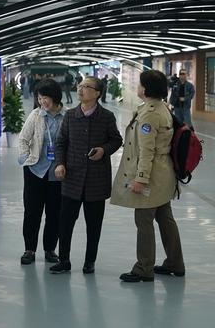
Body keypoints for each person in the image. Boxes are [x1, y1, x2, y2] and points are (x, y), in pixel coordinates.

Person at [111, 70, 184, 282]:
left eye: (140, 83)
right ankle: (175, 262)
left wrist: (141, 178)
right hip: (164, 174)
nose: (137, 86)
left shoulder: (150, 114)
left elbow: (147, 151)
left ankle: (144, 268)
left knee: (143, 220)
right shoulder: (161, 108)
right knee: (165, 219)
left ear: (146, 88)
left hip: (152, 176)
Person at [50, 76, 123, 274]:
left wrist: (103, 150)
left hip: (96, 180)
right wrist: (60, 163)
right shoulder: (70, 115)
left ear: (97, 93)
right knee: (65, 223)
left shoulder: (106, 116)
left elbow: (116, 140)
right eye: (80, 86)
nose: (80, 89)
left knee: (94, 225)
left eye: (86, 87)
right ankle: (64, 260)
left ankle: (90, 261)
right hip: (72, 178)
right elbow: (61, 142)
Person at [17, 79, 66, 265]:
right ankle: (29, 249)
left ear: (55, 97)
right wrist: (26, 159)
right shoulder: (36, 115)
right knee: (32, 212)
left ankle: (50, 249)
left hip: (58, 174)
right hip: (35, 171)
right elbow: (23, 139)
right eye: (39, 98)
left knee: (55, 214)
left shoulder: (67, 116)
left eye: (45, 97)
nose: (42, 101)